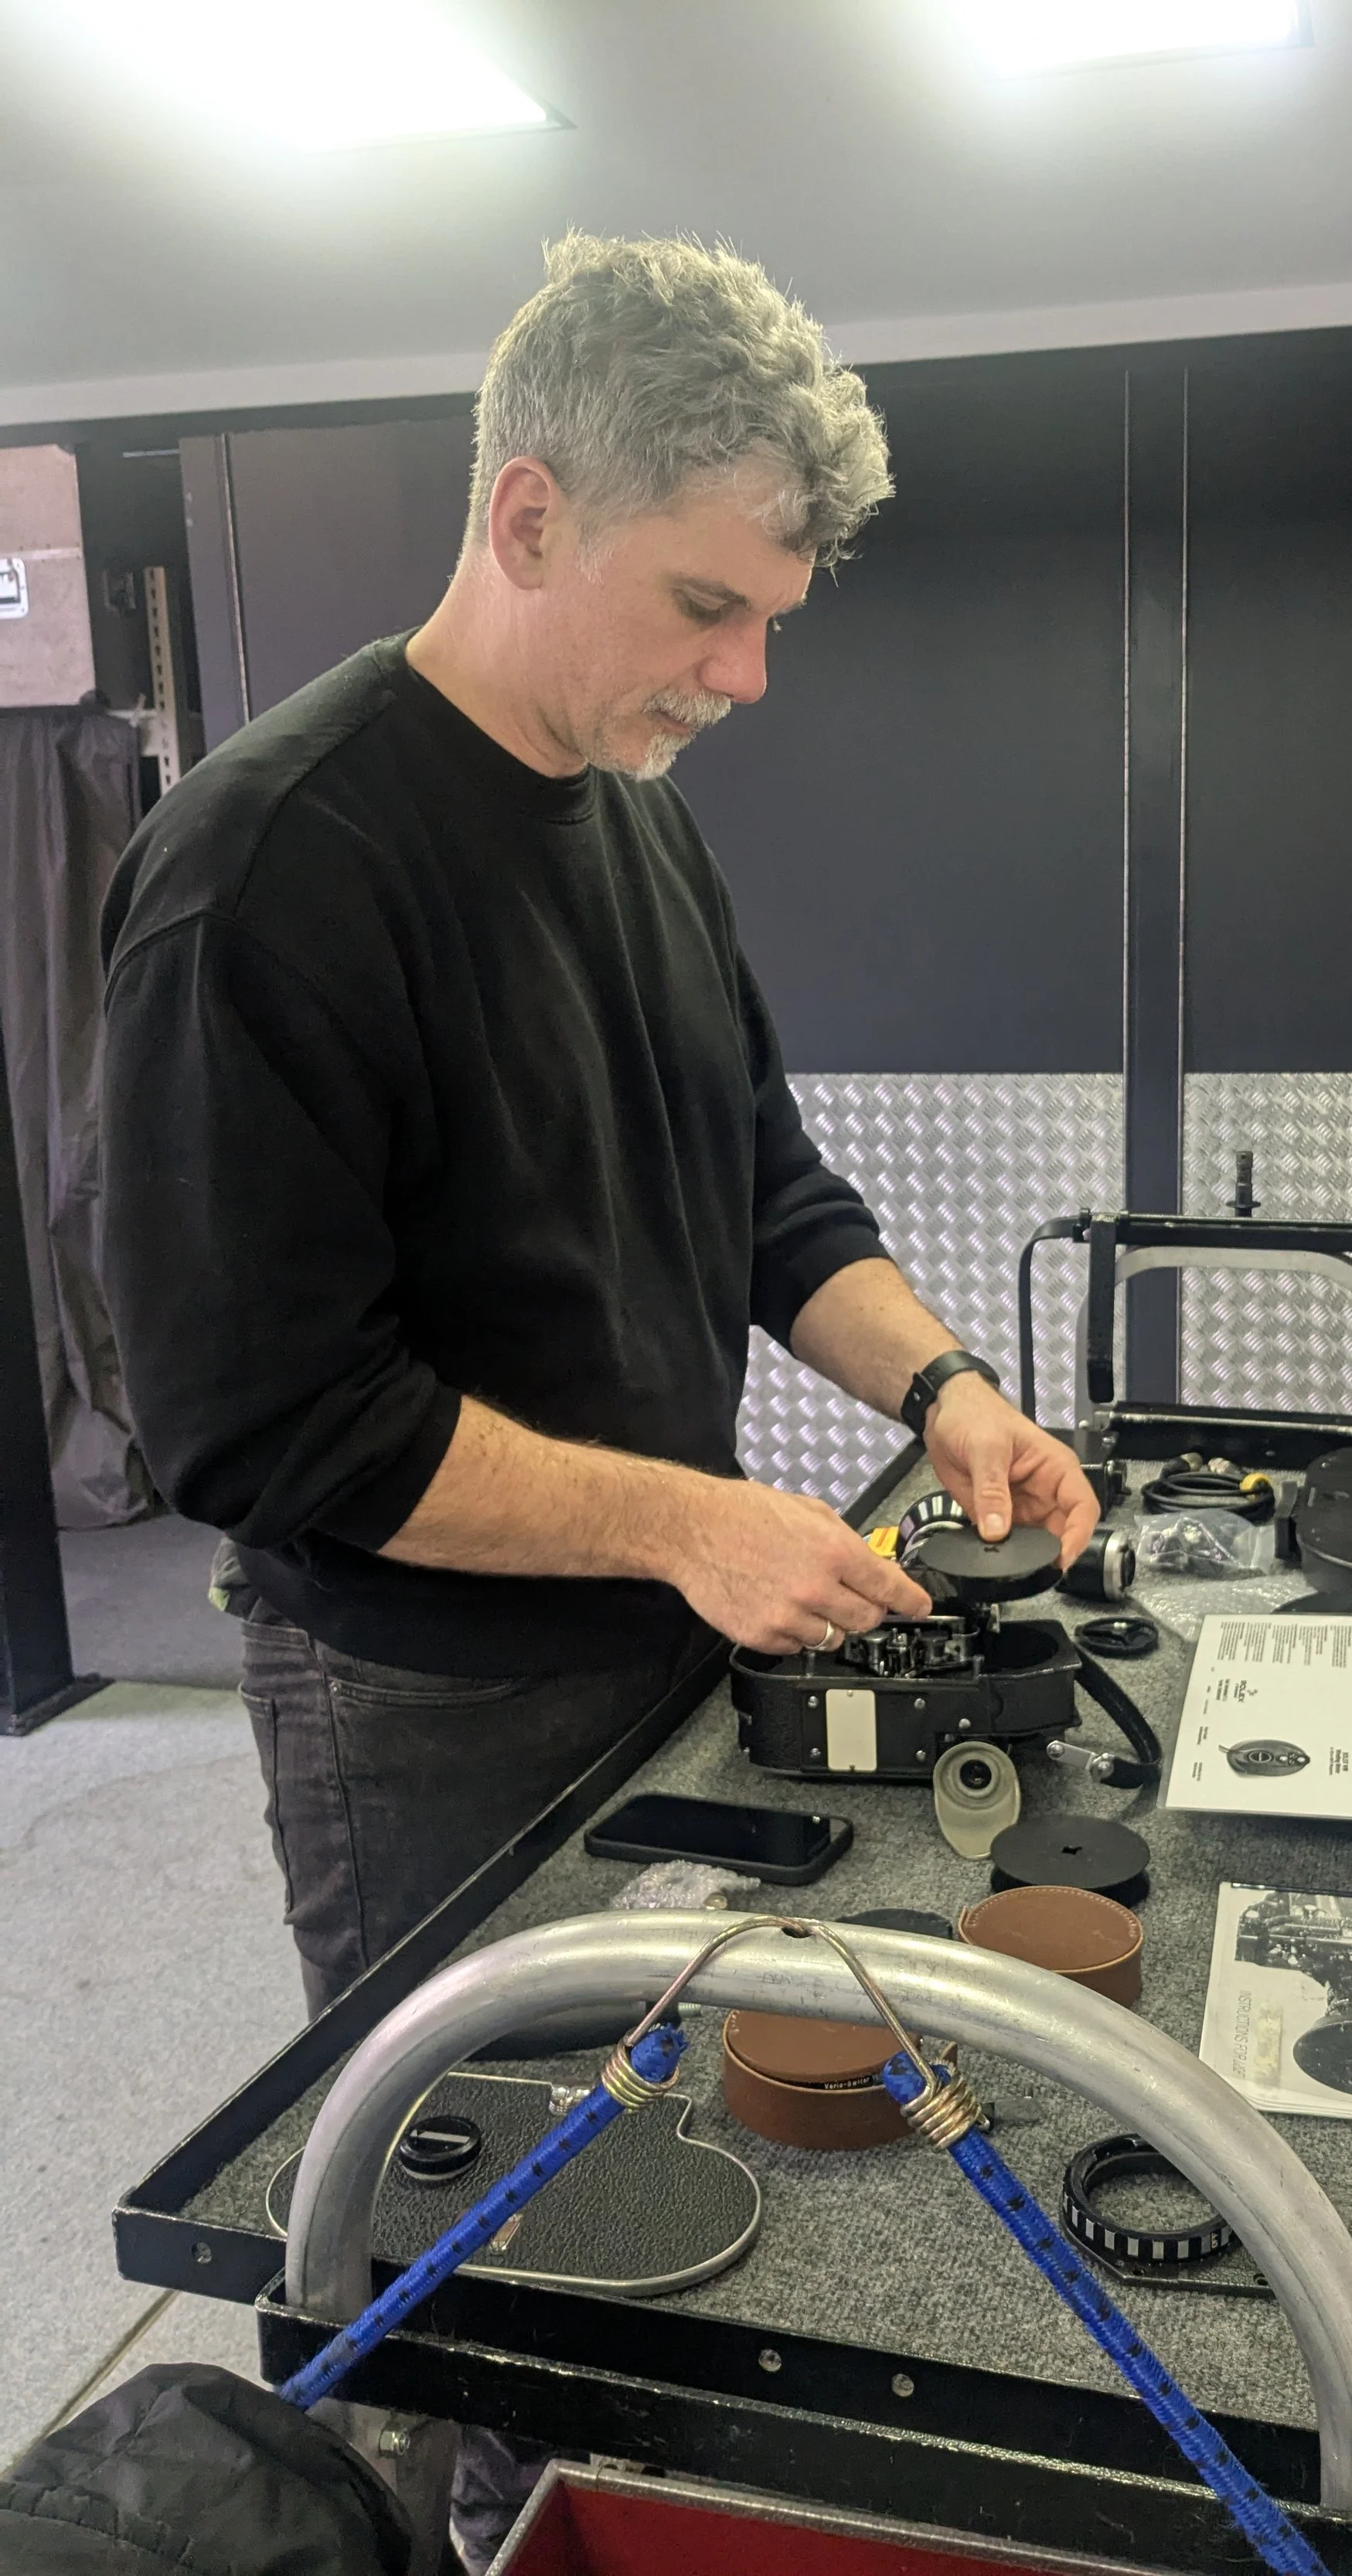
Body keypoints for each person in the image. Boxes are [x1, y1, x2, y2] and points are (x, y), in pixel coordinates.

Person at [99, 232, 1099, 2024]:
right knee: (474, 2176)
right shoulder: (264, 873)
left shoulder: (637, 815)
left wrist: (946, 1387)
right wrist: (686, 1523)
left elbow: (765, 1187)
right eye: (706, 607)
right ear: (532, 518)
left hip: (658, 1624)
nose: (747, 678)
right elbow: (258, 1427)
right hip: (421, 1705)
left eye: (770, 623)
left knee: (660, 2123)